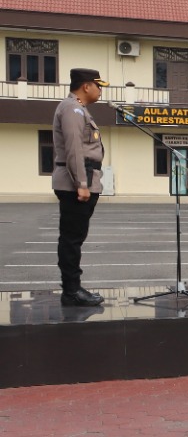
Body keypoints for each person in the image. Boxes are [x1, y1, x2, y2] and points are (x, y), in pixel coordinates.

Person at [52, 68, 108, 307]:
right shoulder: (72, 109)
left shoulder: (79, 109)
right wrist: (82, 184)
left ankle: (73, 288)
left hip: (84, 179)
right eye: (98, 85)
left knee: (75, 237)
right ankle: (71, 291)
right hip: (77, 182)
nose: (100, 90)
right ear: (86, 86)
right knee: (72, 239)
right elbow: (74, 149)